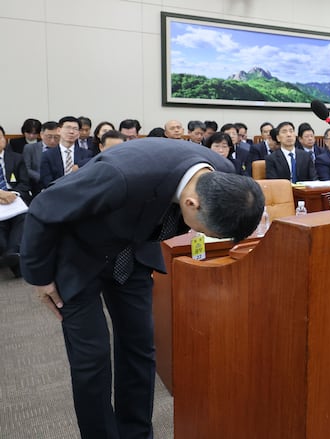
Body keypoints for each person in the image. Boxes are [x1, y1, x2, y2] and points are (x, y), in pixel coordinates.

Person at [20, 137, 265, 438]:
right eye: (201, 229)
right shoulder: (119, 176)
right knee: (92, 357)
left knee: (139, 345)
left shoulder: (223, 175)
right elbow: (44, 206)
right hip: (78, 253)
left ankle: (136, 433)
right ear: (192, 203)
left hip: (132, 250)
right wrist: (39, 276)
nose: (197, 233)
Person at [0, 125, 31, 277]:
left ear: (4, 139)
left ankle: (11, 254)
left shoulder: (17, 158)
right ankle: (14, 260)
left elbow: (25, 183)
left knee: (23, 218)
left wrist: (13, 194)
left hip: (14, 201)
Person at [39, 116, 93, 188]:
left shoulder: (87, 154)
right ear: (59, 131)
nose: (71, 132)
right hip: (55, 192)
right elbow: (46, 180)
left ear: (78, 133)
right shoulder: (47, 155)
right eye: (68, 128)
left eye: (75, 129)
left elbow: (88, 178)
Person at [23, 121, 59, 196]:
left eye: (56, 137)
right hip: (36, 183)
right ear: (41, 135)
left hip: (58, 183)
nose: (52, 140)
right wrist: (43, 178)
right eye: (49, 137)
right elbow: (26, 168)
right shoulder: (30, 148)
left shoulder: (62, 149)